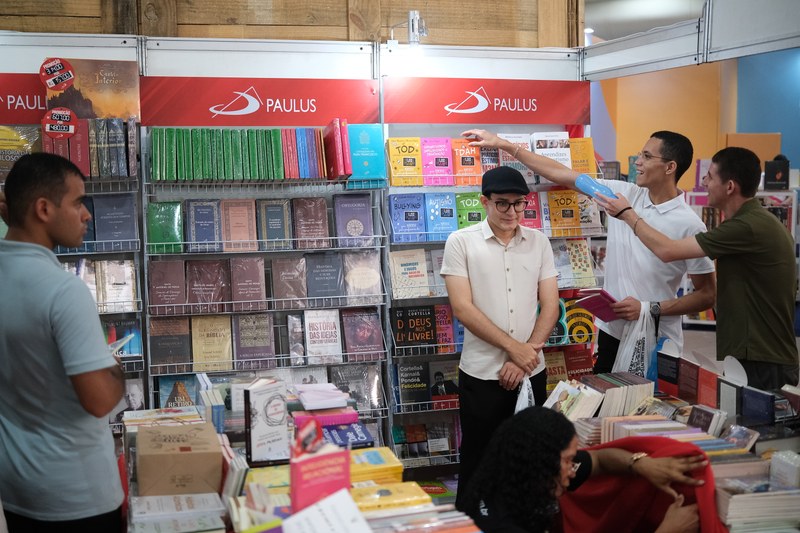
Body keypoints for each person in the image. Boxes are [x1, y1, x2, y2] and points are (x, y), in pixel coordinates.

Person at [462, 129, 716, 374]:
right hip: (611, 332)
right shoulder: (622, 194)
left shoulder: (689, 223)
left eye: (647, 157)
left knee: (648, 412)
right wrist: (504, 145)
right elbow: (563, 174)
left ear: (670, 167)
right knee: (605, 409)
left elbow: (707, 295)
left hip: (658, 339)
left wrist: (649, 308)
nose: (637, 162)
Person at [597, 147, 799, 390]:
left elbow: (667, 251)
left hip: (762, 355)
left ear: (730, 186)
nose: (704, 182)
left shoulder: (746, 227)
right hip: (755, 351)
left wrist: (628, 215)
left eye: (710, 177)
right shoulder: (751, 223)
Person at [0, 153, 125, 532]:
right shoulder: (64, 291)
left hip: (18, 488)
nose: (86, 214)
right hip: (77, 494)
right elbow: (100, 399)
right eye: (76, 201)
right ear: (43, 209)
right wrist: (115, 368)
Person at [440, 166, 560, 509]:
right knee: (478, 456)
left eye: (519, 204)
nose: (512, 212)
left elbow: (550, 306)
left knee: (529, 458)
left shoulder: (538, 242)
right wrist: (514, 350)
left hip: (530, 372)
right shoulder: (460, 242)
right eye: (502, 204)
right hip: (482, 373)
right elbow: (463, 308)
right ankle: (469, 523)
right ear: (484, 202)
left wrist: (527, 355)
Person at [461, 406, 721, 533]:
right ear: (541, 464)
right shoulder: (501, 526)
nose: (574, 470)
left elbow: (599, 460)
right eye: (568, 461)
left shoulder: (519, 478)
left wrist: (641, 464)